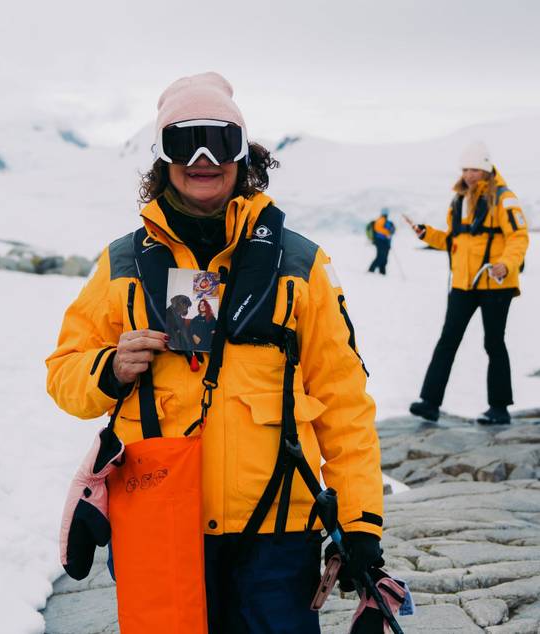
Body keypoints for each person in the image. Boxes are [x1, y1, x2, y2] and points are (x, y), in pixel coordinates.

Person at [46, 72, 384, 633]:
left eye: (221, 140)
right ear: (161, 157)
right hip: (159, 527)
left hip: (277, 536)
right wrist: (108, 369)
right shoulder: (122, 266)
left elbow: (344, 401)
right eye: (184, 141)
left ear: (244, 153)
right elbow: (64, 376)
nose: (203, 158)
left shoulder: (300, 267)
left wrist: (361, 524)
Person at [408, 141, 529, 425]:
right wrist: (427, 234)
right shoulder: (458, 200)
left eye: (475, 168)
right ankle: (429, 403)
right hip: (463, 285)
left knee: (494, 343)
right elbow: (455, 241)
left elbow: (518, 237)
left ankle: (499, 408)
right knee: (447, 341)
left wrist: (506, 263)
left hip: (495, 283)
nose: (469, 174)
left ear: (486, 169)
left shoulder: (504, 198)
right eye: (465, 169)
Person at [367, 209, 396, 275]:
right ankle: (371, 271)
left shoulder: (386, 221)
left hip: (385, 242)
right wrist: (388, 232)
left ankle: (382, 273)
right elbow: (378, 229)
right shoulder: (381, 220)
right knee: (380, 257)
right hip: (381, 241)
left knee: (384, 258)